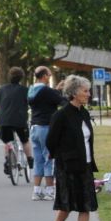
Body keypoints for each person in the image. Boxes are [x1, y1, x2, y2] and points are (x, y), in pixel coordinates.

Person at [45, 76, 98, 221]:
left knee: (86, 205)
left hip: (86, 165)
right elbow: (51, 141)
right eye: (85, 91)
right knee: (66, 205)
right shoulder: (61, 115)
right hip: (67, 166)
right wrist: (63, 157)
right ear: (74, 93)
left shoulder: (84, 113)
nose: (88, 94)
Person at [28, 66, 64, 201]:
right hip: (46, 127)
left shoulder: (31, 90)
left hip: (34, 128)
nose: (50, 77)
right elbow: (62, 102)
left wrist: (56, 90)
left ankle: (36, 191)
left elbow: (45, 97)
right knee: (49, 159)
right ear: (44, 76)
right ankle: (50, 191)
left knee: (38, 160)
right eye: (49, 74)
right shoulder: (47, 91)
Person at [0, 68, 32, 175]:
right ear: (21, 77)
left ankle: (8, 160)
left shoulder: (2, 89)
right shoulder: (25, 90)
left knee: (7, 141)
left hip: (4, 120)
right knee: (24, 140)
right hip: (20, 120)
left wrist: (2, 111)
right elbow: (30, 103)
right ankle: (30, 159)